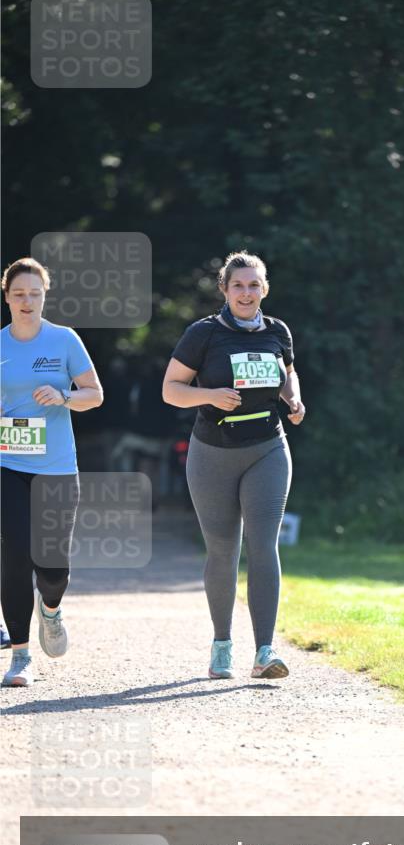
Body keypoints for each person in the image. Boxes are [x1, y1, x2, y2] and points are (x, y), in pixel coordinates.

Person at [162, 250, 305, 680]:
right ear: (224, 289)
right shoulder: (204, 334)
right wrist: (209, 395)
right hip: (213, 453)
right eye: (238, 285)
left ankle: (264, 651)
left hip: (267, 448)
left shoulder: (277, 331)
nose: (247, 293)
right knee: (224, 550)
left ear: (264, 290)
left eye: (254, 285)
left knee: (264, 545)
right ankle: (222, 644)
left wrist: (292, 398)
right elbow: (171, 389)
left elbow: (288, 372)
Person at [0, 258, 104, 686]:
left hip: (57, 468)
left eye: (35, 293)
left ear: (45, 295)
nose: (27, 301)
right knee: (14, 552)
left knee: (53, 566)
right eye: (19, 294)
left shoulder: (64, 340)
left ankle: (52, 609)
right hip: (8, 463)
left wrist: (63, 396)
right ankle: (20, 654)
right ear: (7, 297)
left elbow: (94, 395)